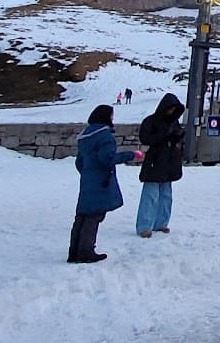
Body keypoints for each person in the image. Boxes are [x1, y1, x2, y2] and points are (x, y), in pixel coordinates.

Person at [69, 105, 140, 263]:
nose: (113, 119)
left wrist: (88, 173)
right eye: (112, 116)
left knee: (82, 215)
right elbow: (107, 158)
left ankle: (74, 251)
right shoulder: (104, 136)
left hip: (88, 179)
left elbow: (79, 162)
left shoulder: (85, 135)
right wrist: (131, 155)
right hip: (101, 180)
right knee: (94, 216)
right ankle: (86, 251)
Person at [137, 93, 185, 237]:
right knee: (150, 195)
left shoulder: (174, 122)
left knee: (166, 196)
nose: (171, 112)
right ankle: (144, 226)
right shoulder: (150, 121)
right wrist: (164, 134)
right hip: (155, 161)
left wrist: (177, 135)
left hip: (169, 162)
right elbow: (145, 138)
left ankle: (161, 223)